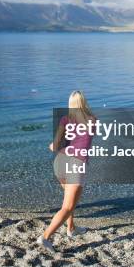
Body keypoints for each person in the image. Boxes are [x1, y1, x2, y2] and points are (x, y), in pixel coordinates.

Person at [38, 90, 95, 251]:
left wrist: (53, 145)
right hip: (75, 165)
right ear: (84, 102)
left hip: (60, 162)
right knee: (68, 206)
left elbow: (55, 146)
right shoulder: (92, 120)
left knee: (69, 200)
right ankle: (45, 237)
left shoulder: (65, 119)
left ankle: (71, 228)